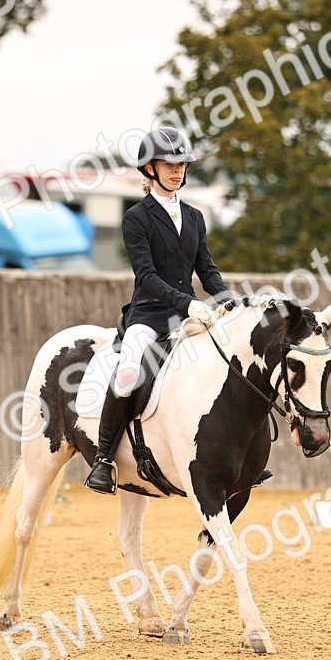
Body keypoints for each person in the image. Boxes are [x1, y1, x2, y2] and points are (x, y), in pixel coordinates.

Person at [83, 127, 228, 495]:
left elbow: (206, 270)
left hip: (189, 317)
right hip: (149, 315)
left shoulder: (194, 216)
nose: (177, 171)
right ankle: (103, 459)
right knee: (129, 370)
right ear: (149, 169)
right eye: (169, 164)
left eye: (182, 164)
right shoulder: (137, 217)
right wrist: (188, 302)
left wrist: (229, 298)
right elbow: (146, 276)